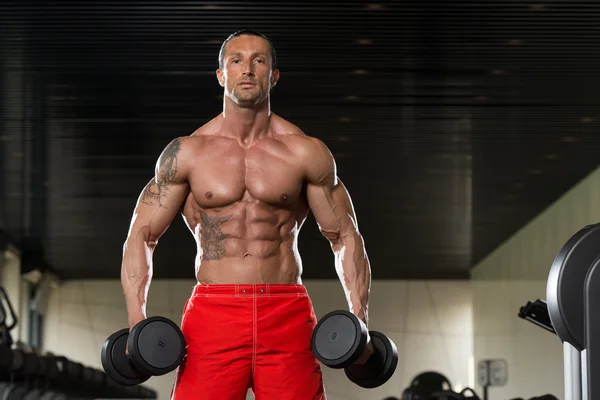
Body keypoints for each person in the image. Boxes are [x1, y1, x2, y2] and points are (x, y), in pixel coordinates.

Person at [120, 29, 373, 400]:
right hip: (213, 311)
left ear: (273, 75)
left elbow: (345, 235)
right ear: (222, 75)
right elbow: (142, 235)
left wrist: (360, 321)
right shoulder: (187, 153)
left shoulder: (305, 152)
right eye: (236, 61)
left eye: (259, 61)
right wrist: (135, 321)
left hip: (285, 311)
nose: (247, 69)